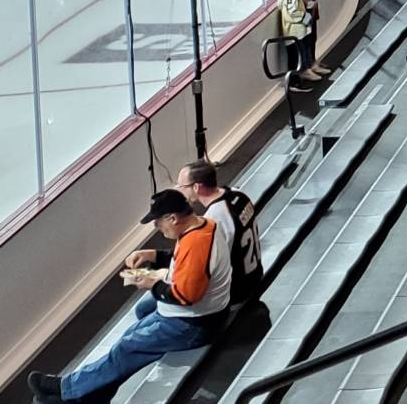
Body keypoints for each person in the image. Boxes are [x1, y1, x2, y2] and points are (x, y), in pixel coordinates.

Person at [24, 190, 232, 402]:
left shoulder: (196, 244)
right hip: (185, 317)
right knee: (129, 338)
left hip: (193, 325)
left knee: (128, 347)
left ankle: (65, 388)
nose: (157, 228)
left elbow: (187, 296)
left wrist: (153, 284)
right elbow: (186, 264)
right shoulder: (202, 226)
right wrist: (152, 255)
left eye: (158, 222)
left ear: (173, 218)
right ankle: (87, 398)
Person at [168, 161, 263, 307]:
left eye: (181, 186)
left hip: (236, 290)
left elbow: (205, 263)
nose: (179, 190)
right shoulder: (239, 194)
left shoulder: (213, 219)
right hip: (255, 275)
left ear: (196, 187)